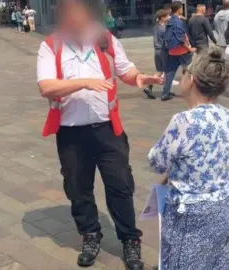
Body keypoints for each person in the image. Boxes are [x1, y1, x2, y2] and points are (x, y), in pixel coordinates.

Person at [36, 0, 163, 269]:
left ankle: (130, 240)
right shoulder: (51, 46)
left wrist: (139, 77)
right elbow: (46, 87)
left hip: (108, 130)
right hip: (71, 134)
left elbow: (124, 69)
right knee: (78, 189)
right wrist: (84, 82)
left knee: (120, 187)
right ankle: (90, 234)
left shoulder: (106, 40)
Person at [148, 47, 229, 270]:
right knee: (220, 263)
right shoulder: (227, 114)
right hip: (227, 204)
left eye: (184, 73)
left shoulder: (184, 120)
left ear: (192, 80)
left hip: (193, 212)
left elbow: (156, 161)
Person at [162, 1, 196, 102]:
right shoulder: (178, 22)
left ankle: (165, 93)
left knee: (170, 72)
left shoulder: (170, 20)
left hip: (172, 50)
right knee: (189, 71)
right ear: (178, 9)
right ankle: (190, 92)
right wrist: (189, 49)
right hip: (182, 50)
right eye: (181, 8)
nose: (182, 10)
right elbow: (181, 38)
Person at [143, 9, 170, 99]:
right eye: (167, 16)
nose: (168, 17)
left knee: (159, 71)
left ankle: (149, 86)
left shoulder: (156, 27)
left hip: (157, 51)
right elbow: (167, 41)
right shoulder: (164, 29)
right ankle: (166, 91)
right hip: (163, 51)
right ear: (162, 18)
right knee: (167, 71)